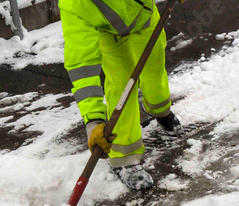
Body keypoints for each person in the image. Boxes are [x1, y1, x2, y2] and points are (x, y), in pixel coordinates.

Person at [59, 0, 182, 191]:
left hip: (145, 18)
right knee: (122, 85)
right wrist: (93, 120)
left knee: (154, 71)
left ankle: (160, 110)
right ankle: (124, 159)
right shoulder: (75, 5)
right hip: (109, 33)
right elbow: (81, 67)